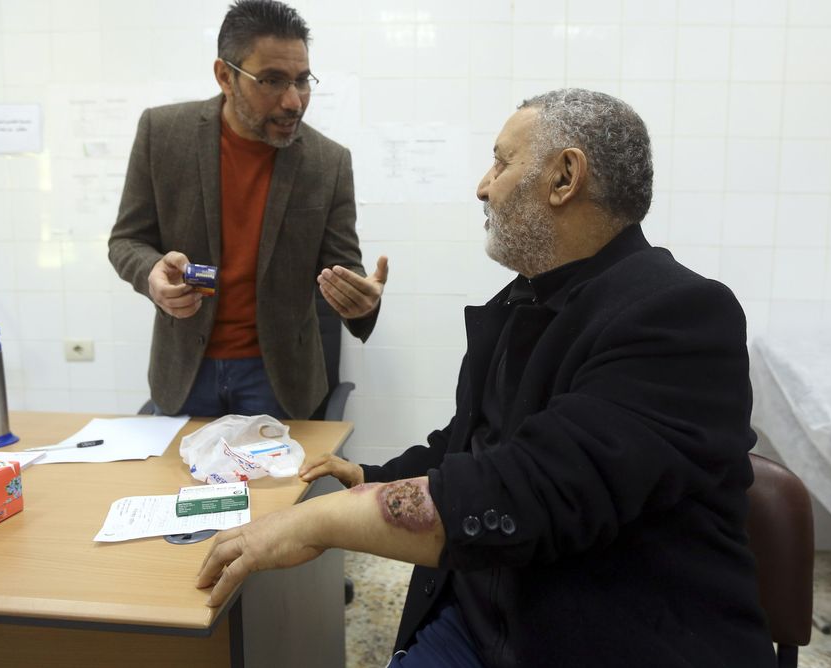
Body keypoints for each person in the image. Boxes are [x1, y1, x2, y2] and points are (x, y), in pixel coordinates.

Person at [196, 88, 777, 667]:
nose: (483, 185)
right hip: (483, 622)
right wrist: (372, 477)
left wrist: (318, 524)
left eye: (501, 161)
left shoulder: (679, 316)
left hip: (605, 635)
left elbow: (527, 489)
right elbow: (474, 443)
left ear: (564, 176)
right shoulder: (523, 300)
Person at [108, 0, 387, 420]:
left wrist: (360, 301)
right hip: (184, 369)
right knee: (178, 485)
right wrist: (150, 272)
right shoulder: (162, 135)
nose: (294, 101)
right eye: (272, 81)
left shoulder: (328, 162)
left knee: (275, 488)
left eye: (302, 80)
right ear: (225, 76)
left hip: (279, 378)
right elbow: (126, 240)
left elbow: (341, 267)